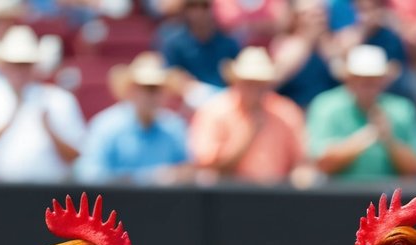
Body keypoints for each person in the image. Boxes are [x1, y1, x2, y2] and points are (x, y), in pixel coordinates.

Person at [0, 25, 85, 182]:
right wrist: (6, 123)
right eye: (14, 63)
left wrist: (49, 128)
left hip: (48, 193)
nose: (20, 70)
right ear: (1, 65)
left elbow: (76, 156)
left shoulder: (59, 99)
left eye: (25, 64)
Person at [188, 45, 308, 182]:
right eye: (249, 82)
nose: (255, 89)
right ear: (236, 81)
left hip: (277, 195)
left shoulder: (286, 112)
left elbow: (301, 162)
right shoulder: (214, 111)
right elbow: (208, 165)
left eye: (260, 83)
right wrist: (249, 134)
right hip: (226, 195)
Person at [76, 52, 192, 183]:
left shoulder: (174, 126)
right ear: (131, 90)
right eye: (147, 88)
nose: (153, 95)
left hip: (168, 203)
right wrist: (145, 178)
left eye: (158, 89)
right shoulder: (106, 126)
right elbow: (89, 173)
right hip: (116, 201)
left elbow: (188, 168)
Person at [307, 44, 416, 178]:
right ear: (348, 78)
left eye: (373, 79)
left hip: (388, 196)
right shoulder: (326, 106)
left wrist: (390, 141)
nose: (367, 84)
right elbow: (319, 162)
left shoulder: (402, 109)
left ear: (384, 80)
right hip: (339, 196)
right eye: (360, 78)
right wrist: (367, 135)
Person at [159, 0, 242, 96]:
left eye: (204, 6)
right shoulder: (174, 43)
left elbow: (239, 77)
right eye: (192, 6)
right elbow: (169, 76)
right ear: (184, 10)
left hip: (225, 101)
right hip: (187, 102)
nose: (199, 11)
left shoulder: (229, 43)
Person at [271, 0, 341, 109]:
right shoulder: (284, 43)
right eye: (312, 14)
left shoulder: (330, 44)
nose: (319, 18)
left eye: (321, 13)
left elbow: (342, 76)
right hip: (294, 111)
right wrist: (307, 41)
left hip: (326, 111)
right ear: (297, 17)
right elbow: (276, 79)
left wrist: (324, 47)